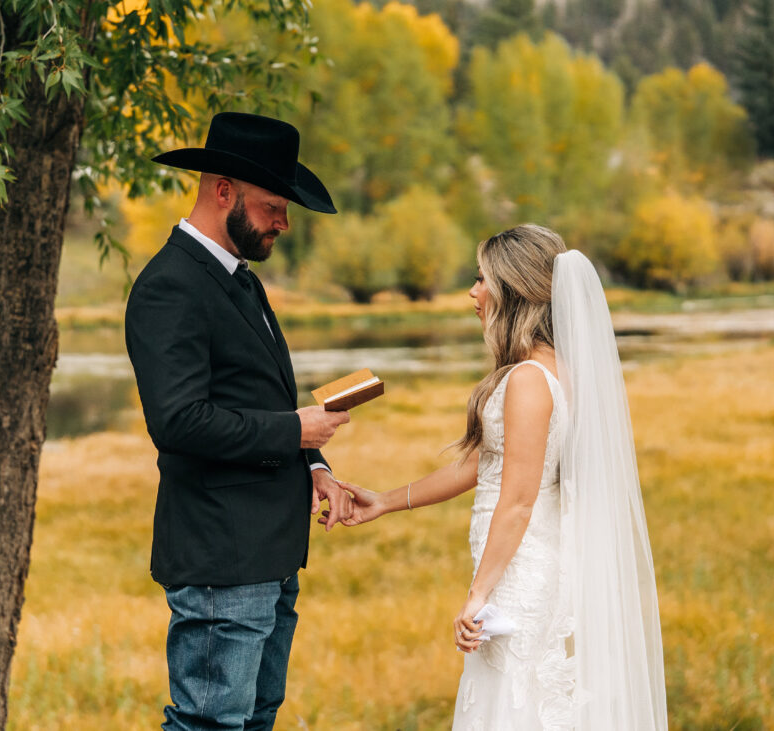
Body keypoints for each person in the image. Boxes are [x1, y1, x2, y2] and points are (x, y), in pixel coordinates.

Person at [332, 225, 668, 729]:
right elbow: (477, 465)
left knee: (513, 704)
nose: (472, 292)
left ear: (512, 290)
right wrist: (383, 501)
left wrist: (479, 595)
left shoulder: (530, 380)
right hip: (518, 563)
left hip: (518, 572)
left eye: (482, 278)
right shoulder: (552, 371)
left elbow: (517, 500)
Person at [125, 112, 355, 731]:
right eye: (273, 205)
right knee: (210, 724)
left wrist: (314, 464)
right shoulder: (169, 286)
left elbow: (261, 399)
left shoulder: (240, 282)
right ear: (222, 191)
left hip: (269, 553)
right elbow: (178, 422)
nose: (283, 222)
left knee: (254, 719)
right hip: (220, 560)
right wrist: (295, 432)